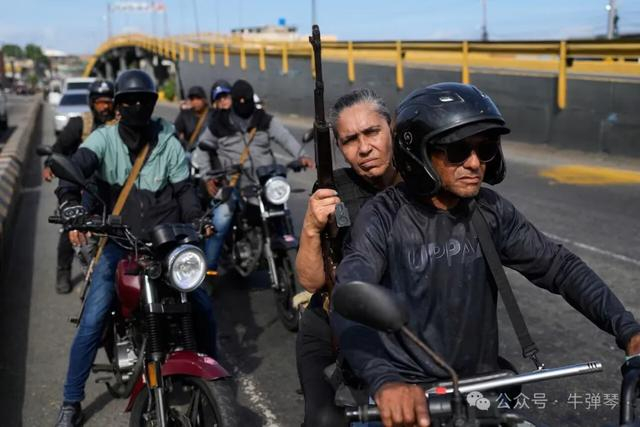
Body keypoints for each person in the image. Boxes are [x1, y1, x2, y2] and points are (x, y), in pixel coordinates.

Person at [331, 82, 640, 427]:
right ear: (419, 154)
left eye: (486, 149)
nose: (475, 163)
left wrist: (629, 331)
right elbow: (350, 298)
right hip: (409, 397)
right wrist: (386, 381)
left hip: (478, 391)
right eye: (458, 151)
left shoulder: (490, 211)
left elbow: (560, 268)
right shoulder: (382, 215)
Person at [54, 69, 216, 427]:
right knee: (93, 318)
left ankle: (212, 384)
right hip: (119, 243)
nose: (136, 106)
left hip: (165, 242)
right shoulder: (103, 139)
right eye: (128, 101)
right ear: (118, 106)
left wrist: (197, 219)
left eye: (143, 100)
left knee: (202, 304)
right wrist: (69, 202)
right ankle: (70, 401)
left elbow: (185, 190)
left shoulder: (168, 141)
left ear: (153, 103)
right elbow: (76, 168)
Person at [295, 88, 400, 427]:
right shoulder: (331, 191)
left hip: (403, 329)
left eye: (372, 132)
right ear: (339, 148)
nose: (364, 148)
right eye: (350, 140)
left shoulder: (419, 184)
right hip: (331, 328)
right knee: (325, 420)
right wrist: (312, 227)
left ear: (391, 129)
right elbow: (311, 281)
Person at [192, 79, 314, 270]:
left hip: (265, 181)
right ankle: (208, 268)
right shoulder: (219, 123)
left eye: (246, 100)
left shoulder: (263, 119)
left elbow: (285, 137)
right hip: (232, 183)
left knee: (281, 209)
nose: (243, 104)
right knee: (222, 217)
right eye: (239, 101)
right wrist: (208, 177)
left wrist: (301, 156)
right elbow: (202, 149)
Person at [43, 79, 116, 294]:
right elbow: (58, 149)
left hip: (108, 186)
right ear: (92, 103)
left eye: (109, 102)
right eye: (101, 102)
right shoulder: (80, 123)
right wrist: (49, 165)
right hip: (80, 185)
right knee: (70, 227)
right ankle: (63, 271)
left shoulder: (120, 126)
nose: (105, 107)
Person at [173, 85, 211, 150]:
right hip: (190, 150)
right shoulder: (185, 114)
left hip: (208, 150)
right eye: (192, 99)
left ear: (204, 99)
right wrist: (182, 143)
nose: (195, 102)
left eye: (198, 98)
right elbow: (174, 131)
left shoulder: (212, 114)